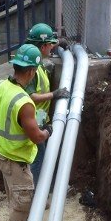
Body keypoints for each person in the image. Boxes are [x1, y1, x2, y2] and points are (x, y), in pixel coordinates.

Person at [0, 44, 52, 221]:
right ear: (32, 71)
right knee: (23, 201)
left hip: (1, 152)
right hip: (16, 158)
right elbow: (36, 137)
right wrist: (47, 132)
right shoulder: (24, 103)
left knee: (14, 195)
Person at [24, 22, 71, 184]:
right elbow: (31, 97)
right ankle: (35, 195)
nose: (52, 48)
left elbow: (41, 44)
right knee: (38, 159)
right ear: (43, 46)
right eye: (50, 45)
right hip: (33, 121)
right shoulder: (32, 68)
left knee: (40, 156)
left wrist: (58, 42)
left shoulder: (32, 55)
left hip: (39, 119)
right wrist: (54, 94)